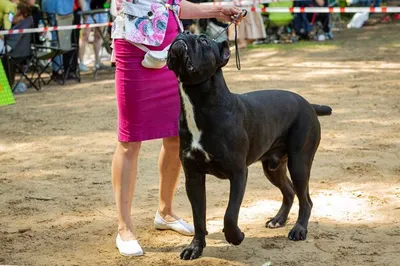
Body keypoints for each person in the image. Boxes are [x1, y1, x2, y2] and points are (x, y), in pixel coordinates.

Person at [110, 0, 245, 256]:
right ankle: (124, 228)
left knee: (175, 138)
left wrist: (218, 10)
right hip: (135, 51)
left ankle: (165, 211)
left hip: (173, 54)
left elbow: (171, 4)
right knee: (129, 141)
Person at [79, 0, 109, 71]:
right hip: (88, 9)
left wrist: (106, 6)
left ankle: (97, 61)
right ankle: (81, 62)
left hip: (101, 9)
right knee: (85, 36)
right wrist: (84, 10)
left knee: (98, 36)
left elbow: (107, 3)